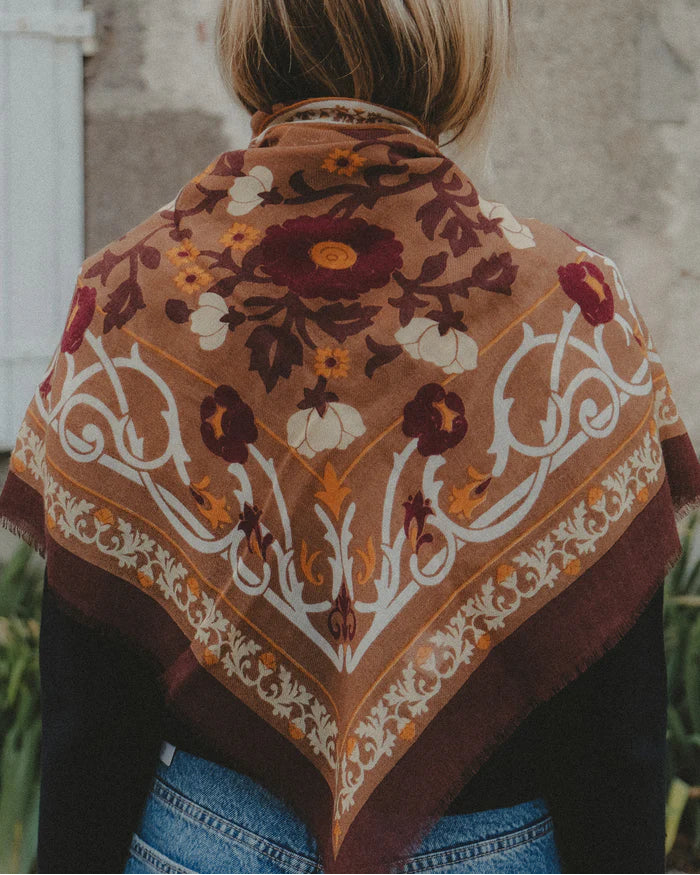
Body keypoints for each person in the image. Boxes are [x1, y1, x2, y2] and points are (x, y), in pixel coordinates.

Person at [1, 1, 699, 873]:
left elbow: (90, 702)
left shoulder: (130, 295)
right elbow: (613, 717)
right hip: (492, 844)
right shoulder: (566, 303)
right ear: (456, 39)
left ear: (251, 33)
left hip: (204, 837)